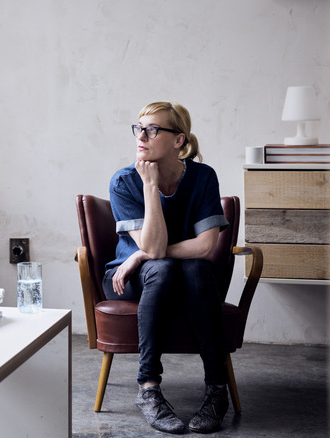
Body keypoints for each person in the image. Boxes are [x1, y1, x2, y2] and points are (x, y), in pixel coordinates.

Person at [103, 101, 230, 434]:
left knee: (195, 269)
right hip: (127, 278)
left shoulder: (203, 177)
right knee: (165, 269)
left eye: (153, 129)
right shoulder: (126, 181)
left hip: (183, 274)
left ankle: (217, 390)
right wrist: (149, 186)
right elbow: (155, 248)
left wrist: (143, 253)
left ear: (178, 140)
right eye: (139, 128)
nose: (141, 136)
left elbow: (205, 246)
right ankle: (148, 389)